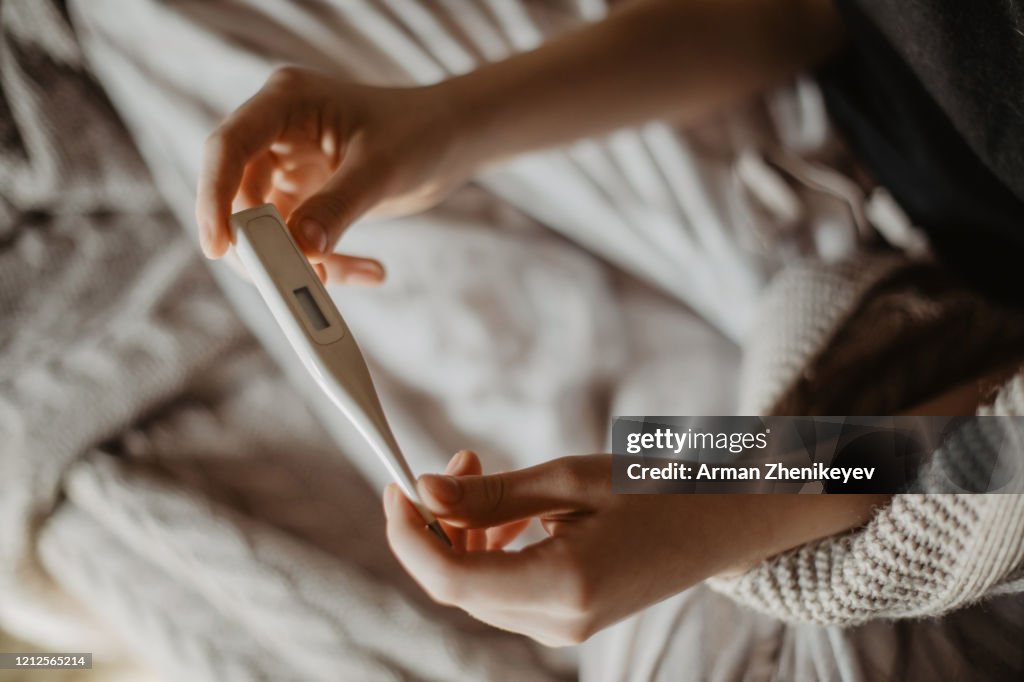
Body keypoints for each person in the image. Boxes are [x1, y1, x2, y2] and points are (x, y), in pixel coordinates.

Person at [194, 0, 1024, 650]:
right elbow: (801, 9)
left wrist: (727, 493)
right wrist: (443, 125)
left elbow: (1005, 444)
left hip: (906, 347)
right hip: (838, 139)